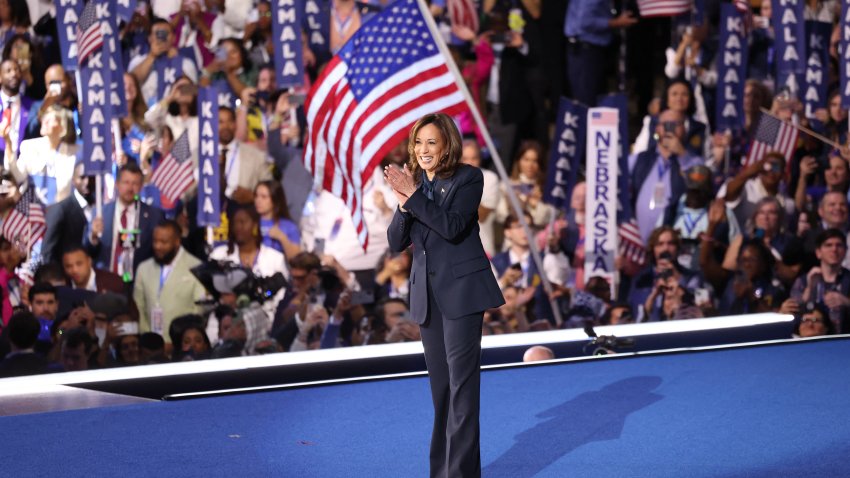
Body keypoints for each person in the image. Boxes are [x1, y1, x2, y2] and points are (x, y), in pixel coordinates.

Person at [384, 112, 504, 478]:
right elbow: (395, 242)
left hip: (462, 294)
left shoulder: (468, 178)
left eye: (431, 142)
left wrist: (415, 196)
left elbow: (452, 227)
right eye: (418, 142)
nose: (423, 149)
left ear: (447, 144)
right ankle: (443, 472)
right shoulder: (415, 184)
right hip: (427, 297)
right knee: (442, 393)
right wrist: (406, 202)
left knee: (462, 389)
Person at [134, 220, 206, 340]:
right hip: (150, 346)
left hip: (181, 345)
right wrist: (149, 339)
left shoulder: (196, 268)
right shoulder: (143, 268)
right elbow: (138, 307)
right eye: (155, 241)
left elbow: (198, 310)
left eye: (163, 242)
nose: (157, 246)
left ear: (177, 241)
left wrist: (180, 340)